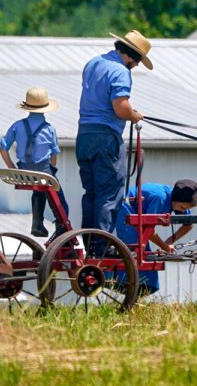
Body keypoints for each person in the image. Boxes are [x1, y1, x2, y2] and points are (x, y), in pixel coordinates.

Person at [76, 30, 151, 253]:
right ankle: (101, 245)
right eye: (137, 61)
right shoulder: (120, 71)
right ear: (132, 56)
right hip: (106, 136)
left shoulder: (93, 63)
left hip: (84, 134)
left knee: (91, 192)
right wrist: (134, 115)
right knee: (109, 192)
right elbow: (121, 107)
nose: (136, 66)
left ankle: (89, 241)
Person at [0, 86, 69, 237]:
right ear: (45, 108)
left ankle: (37, 223)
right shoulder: (50, 129)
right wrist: (52, 168)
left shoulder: (17, 125)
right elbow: (54, 154)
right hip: (43, 172)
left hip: (24, 171)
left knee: (39, 189)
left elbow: (3, 148)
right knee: (55, 192)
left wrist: (12, 167)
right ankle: (61, 225)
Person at [115, 179, 197, 295]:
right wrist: (164, 246)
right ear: (177, 199)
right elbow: (147, 229)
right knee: (136, 249)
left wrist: (170, 240)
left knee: (143, 252)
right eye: (182, 208)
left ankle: (139, 288)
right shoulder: (160, 198)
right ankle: (126, 284)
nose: (183, 211)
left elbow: (188, 225)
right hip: (126, 207)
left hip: (136, 211)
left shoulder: (178, 201)